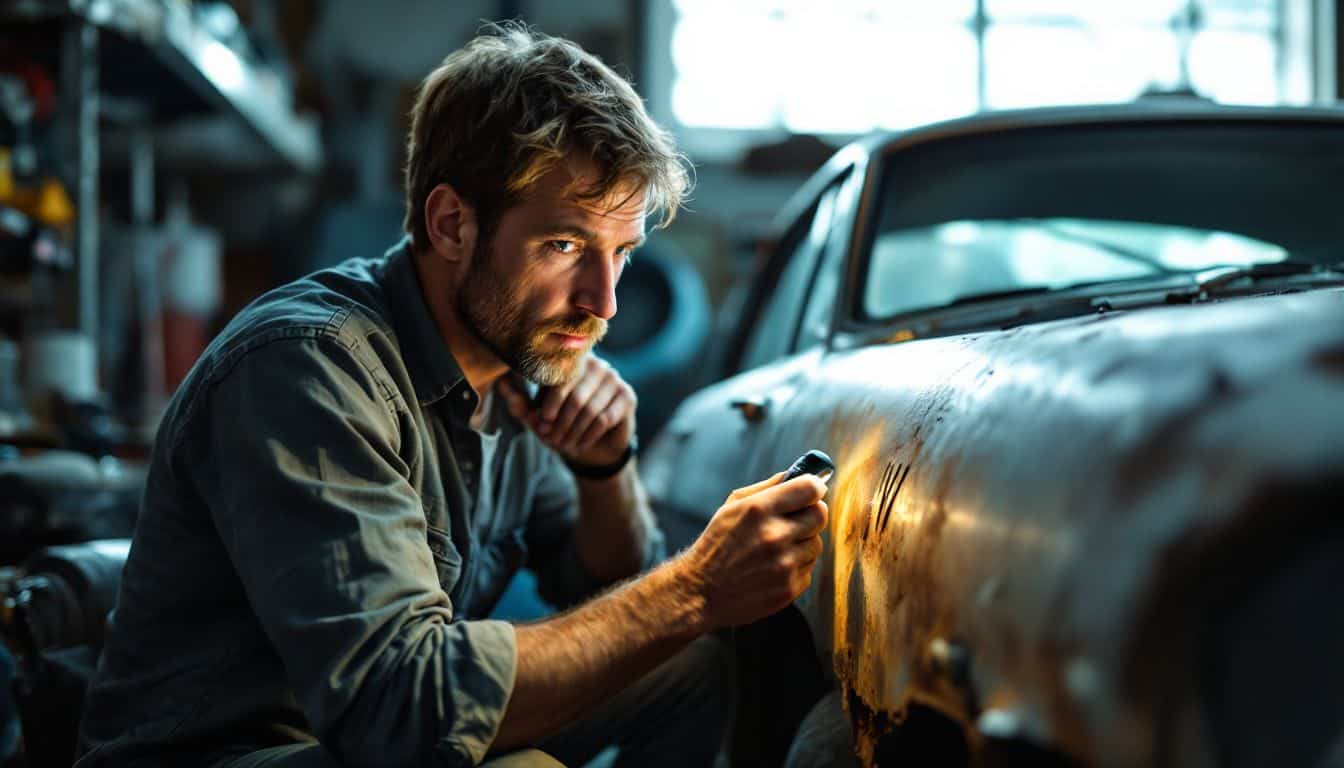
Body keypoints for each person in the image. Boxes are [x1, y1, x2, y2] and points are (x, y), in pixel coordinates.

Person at [76, 23, 828, 768]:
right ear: (451, 225)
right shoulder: (310, 372)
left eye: (621, 253)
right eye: (564, 246)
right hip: (223, 752)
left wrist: (607, 470)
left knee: (686, 674)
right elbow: (400, 710)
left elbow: (604, 589)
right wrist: (694, 587)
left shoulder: (512, 368)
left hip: (365, 736)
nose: (605, 304)